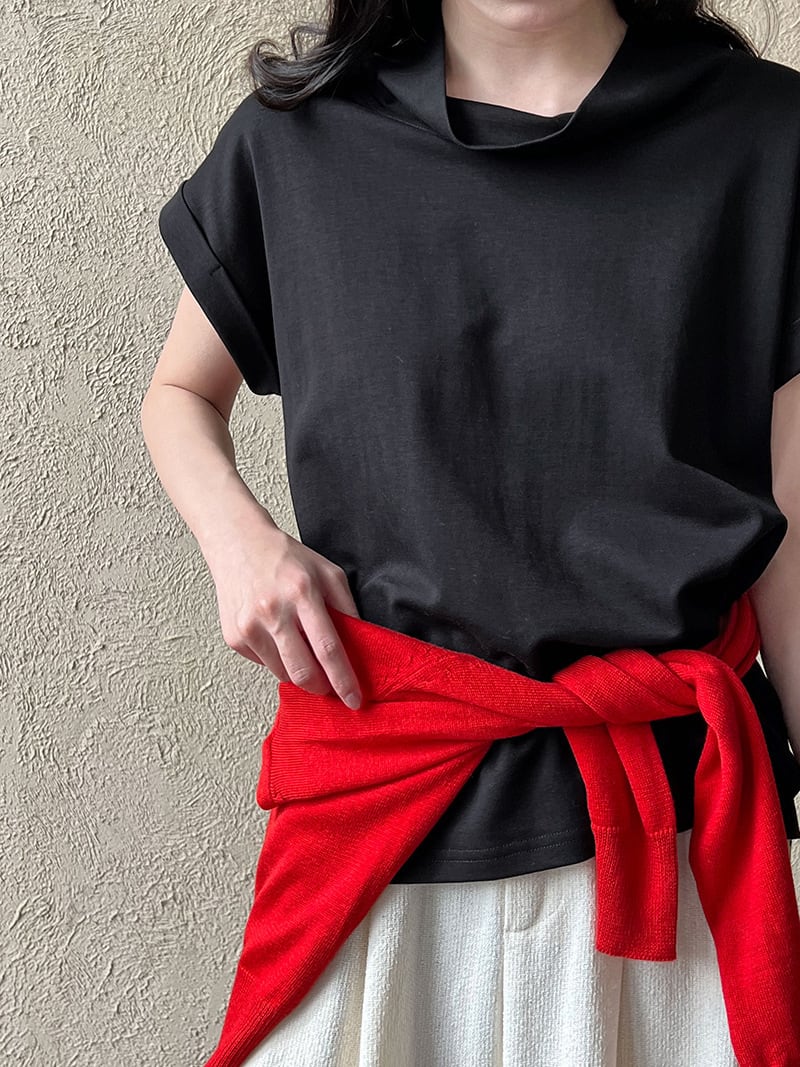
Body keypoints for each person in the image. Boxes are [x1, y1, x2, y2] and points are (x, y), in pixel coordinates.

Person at [143, 0, 800, 1063]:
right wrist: (241, 545)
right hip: (379, 836)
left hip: (674, 856)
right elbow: (178, 392)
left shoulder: (766, 136)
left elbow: (791, 526)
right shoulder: (293, 142)